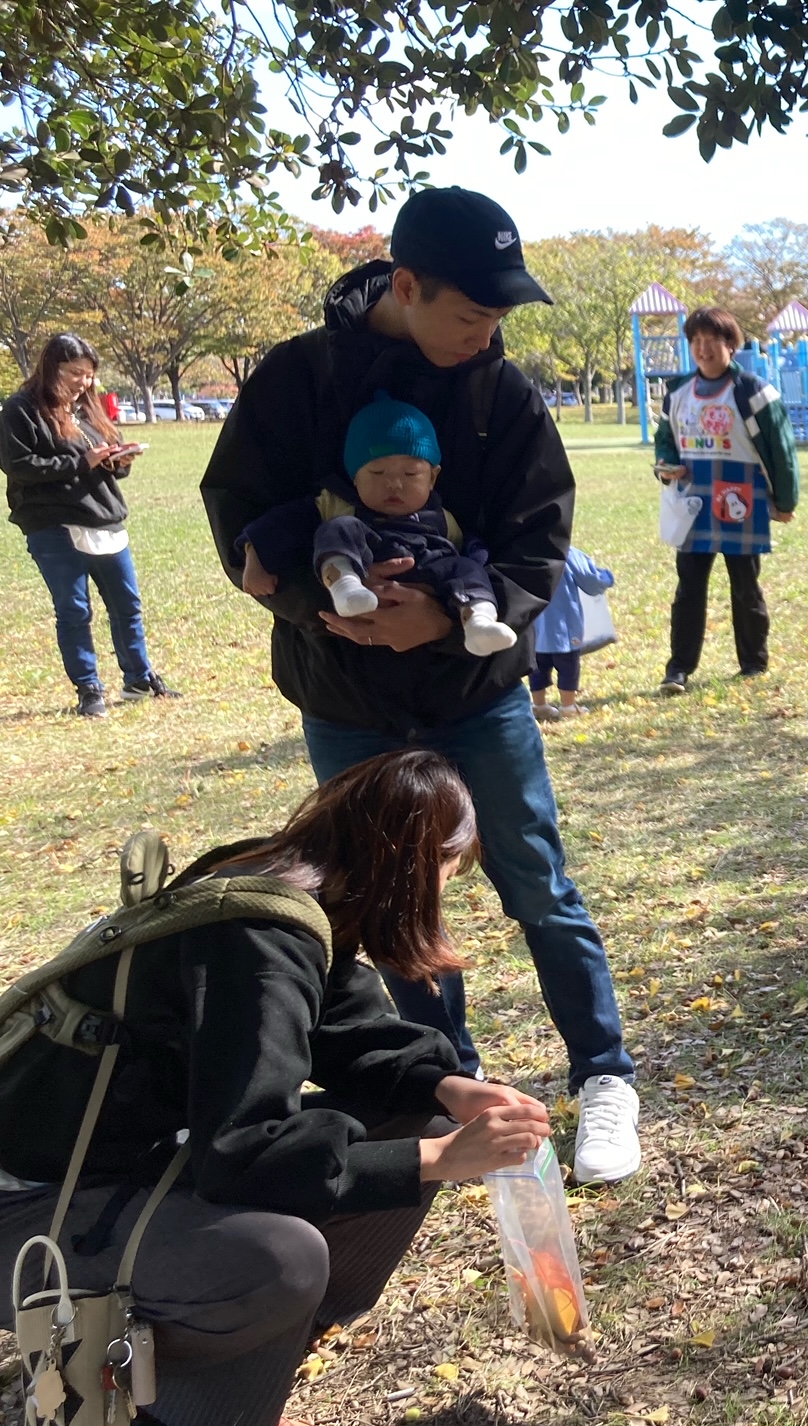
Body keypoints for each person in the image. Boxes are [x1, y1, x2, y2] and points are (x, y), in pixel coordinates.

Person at [200, 185, 642, 1183]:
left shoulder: (505, 395)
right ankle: (445, 1078)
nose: (487, 335)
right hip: (346, 697)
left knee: (537, 880)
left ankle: (604, 1074)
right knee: (385, 899)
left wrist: (448, 621)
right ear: (404, 285)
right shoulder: (298, 378)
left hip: (477, 693)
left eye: (498, 318)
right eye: (472, 313)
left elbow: (541, 537)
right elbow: (240, 512)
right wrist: (322, 605)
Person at [0, 750, 553, 1426]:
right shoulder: (259, 938)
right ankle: (137, 1413)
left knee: (415, 1120)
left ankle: (245, 1356)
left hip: (120, 1167)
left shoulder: (276, 884)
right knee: (282, 1260)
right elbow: (242, 1152)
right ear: (415, 865)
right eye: (454, 868)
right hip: (33, 1204)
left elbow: (339, 1022)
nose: (450, 888)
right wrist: (442, 1161)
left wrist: (445, 1089)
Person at [235, 392, 517, 655]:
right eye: (377, 471)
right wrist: (255, 555)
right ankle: (345, 584)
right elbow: (282, 525)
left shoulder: (443, 518)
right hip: (362, 560)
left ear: (432, 478)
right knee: (338, 528)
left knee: (468, 569)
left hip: (429, 570)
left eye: (410, 473)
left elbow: (471, 548)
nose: (394, 483)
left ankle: (478, 620)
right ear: (355, 476)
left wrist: (474, 567)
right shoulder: (336, 504)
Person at [3, 333, 178, 718]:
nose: (84, 382)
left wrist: (118, 459)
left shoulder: (85, 410)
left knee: (127, 604)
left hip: (104, 520)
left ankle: (138, 677)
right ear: (51, 367)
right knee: (74, 610)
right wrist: (82, 463)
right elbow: (19, 467)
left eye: (88, 375)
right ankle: (89, 688)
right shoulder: (21, 409)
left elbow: (98, 459)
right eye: (75, 373)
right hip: (54, 525)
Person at [650, 305, 801, 693]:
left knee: (745, 583)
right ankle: (679, 668)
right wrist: (665, 465)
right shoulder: (678, 391)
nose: (703, 349)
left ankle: (754, 662)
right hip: (694, 502)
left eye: (712, 340)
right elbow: (664, 439)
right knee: (689, 587)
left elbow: (782, 449)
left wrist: (785, 501)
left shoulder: (754, 391)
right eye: (696, 341)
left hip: (742, 500)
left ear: (731, 344)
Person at [529, 545, 615, 721]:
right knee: (568, 667)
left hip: (534, 626)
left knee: (537, 666)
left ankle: (539, 705)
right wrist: (606, 577)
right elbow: (591, 581)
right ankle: (568, 706)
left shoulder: (526, 549)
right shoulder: (568, 552)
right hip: (564, 626)